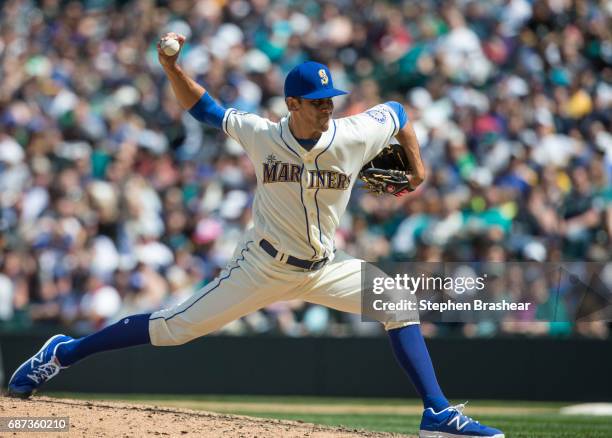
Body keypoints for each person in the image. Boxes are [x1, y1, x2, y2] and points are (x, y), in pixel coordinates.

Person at [8, 33, 504, 438]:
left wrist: (415, 170)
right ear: (292, 103)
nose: (327, 108)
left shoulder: (352, 132)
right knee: (170, 329)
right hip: (261, 266)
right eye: (316, 102)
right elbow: (205, 109)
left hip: (326, 267)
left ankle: (436, 413)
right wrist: (171, 69)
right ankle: (62, 352)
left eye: (330, 100)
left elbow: (397, 112)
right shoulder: (263, 134)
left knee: (397, 301)